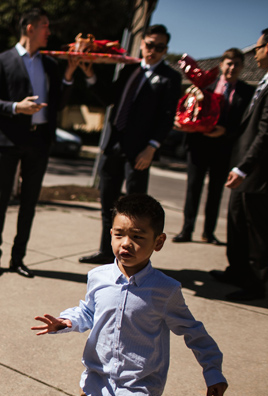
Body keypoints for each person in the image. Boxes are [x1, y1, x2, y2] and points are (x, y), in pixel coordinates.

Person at [32, 194, 228, 396]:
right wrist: (66, 321)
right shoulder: (99, 277)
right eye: (119, 234)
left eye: (138, 237)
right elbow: (88, 311)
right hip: (96, 388)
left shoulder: (165, 290)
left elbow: (193, 331)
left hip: (138, 394)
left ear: (158, 242)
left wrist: (212, 369)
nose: (126, 244)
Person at [78, 25, 182, 265]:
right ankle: (106, 251)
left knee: (136, 210)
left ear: (165, 49)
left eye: (159, 47)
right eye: (149, 44)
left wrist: (152, 147)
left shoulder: (170, 78)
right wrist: (90, 74)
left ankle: (134, 258)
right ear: (142, 44)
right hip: (113, 146)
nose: (152, 50)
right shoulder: (129, 70)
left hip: (140, 152)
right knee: (108, 203)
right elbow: (109, 99)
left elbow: (167, 118)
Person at [0, 7, 75, 278]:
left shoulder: (51, 64)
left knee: (29, 203)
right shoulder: (2, 60)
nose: (49, 31)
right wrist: (16, 107)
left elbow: (59, 104)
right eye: (45, 25)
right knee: (0, 200)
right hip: (10, 140)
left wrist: (69, 75)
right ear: (30, 28)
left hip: (40, 140)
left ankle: (18, 259)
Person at [211, 27, 268, 301]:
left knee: (257, 227)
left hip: (258, 171)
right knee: (237, 221)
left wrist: (243, 167)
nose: (254, 53)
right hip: (244, 165)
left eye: (256, 48)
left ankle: (256, 284)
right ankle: (237, 269)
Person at [173, 49, 254, 245]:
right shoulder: (204, 85)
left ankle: (208, 232)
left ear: (242, 67)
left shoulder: (247, 92)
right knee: (193, 188)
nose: (232, 67)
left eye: (236, 64)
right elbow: (190, 109)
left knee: (216, 191)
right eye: (228, 63)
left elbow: (245, 124)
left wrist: (225, 131)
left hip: (224, 148)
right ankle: (186, 229)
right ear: (221, 65)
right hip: (198, 145)